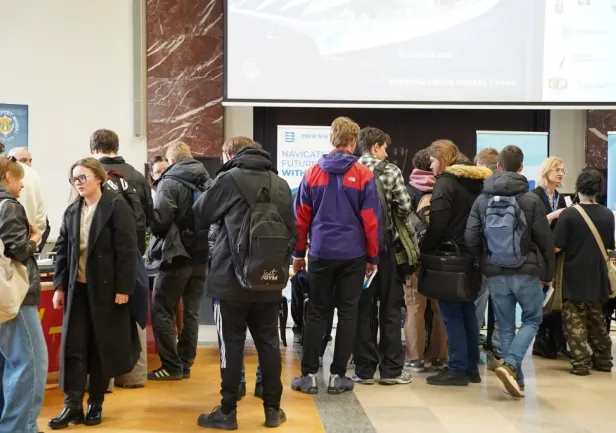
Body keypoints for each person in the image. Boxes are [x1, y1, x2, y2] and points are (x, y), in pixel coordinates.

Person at [193, 137, 296, 429]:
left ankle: (227, 411)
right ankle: (273, 410)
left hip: (230, 281)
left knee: (231, 346)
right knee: (269, 344)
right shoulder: (280, 184)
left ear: (231, 155)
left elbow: (200, 214)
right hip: (269, 280)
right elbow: (292, 232)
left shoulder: (228, 179)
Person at [291, 117, 381, 395]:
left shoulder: (311, 173)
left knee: (316, 312)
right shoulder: (364, 175)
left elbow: (300, 219)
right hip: (353, 255)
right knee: (348, 314)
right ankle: (337, 376)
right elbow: (371, 221)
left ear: (332, 139)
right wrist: (373, 258)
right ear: (353, 142)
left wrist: (298, 254)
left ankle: (308, 375)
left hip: (320, 253)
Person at [49, 158, 140, 428]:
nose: (78, 183)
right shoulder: (72, 210)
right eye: (74, 179)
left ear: (98, 177)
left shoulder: (117, 207)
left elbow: (127, 251)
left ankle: (96, 404)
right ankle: (72, 405)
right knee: (74, 347)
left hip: (107, 291)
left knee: (101, 347)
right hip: (77, 290)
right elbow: (63, 250)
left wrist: (124, 288)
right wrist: (59, 286)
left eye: (83, 177)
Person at [465, 145, 555, 398]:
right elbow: (545, 239)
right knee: (532, 319)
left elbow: (470, 237)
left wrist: (484, 259)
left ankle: (517, 380)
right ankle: (512, 364)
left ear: (499, 166)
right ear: (521, 168)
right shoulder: (531, 199)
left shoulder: (482, 199)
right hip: (526, 271)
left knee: (504, 326)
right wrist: (548, 272)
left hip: (495, 272)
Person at [420, 139, 491, 386]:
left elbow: (439, 223)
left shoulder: (446, 183)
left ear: (443, 159)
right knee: (467, 311)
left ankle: (457, 368)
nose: (431, 166)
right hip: (473, 256)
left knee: (451, 314)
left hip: (450, 258)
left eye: (432, 161)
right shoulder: (477, 183)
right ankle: (471, 368)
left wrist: (425, 247)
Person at [353, 126, 412, 385]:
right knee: (390, 308)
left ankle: (364, 370)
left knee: (362, 309)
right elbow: (405, 207)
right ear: (375, 146)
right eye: (385, 148)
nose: (387, 153)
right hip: (386, 249)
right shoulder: (391, 171)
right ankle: (391, 371)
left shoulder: (351, 170)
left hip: (357, 251)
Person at [148, 142, 210, 381]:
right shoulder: (208, 180)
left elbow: (161, 221)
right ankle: (185, 363)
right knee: (192, 311)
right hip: (201, 255)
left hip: (176, 255)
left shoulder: (169, 181)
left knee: (162, 309)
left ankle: (171, 367)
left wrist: (149, 219)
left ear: (171, 161)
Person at [0, 156, 47, 433]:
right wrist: (34, 239)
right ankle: (20, 428)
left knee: (8, 363)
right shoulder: (9, 205)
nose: (22, 186)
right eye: (19, 180)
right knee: (30, 362)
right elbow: (17, 250)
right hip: (15, 297)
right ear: (8, 177)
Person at [553, 168, 614, 376]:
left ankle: (581, 362)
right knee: (597, 320)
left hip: (573, 276)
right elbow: (608, 245)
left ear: (578, 187)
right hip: (598, 276)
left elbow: (556, 247)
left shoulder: (570, 214)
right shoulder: (607, 214)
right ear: (599, 189)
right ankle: (604, 360)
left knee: (574, 321)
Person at [404, 148, 447, 373]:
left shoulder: (406, 191)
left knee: (414, 308)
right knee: (440, 310)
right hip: (440, 258)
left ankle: (415, 358)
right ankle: (439, 356)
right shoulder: (443, 189)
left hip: (415, 259)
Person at [90, 129, 153, 254]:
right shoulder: (138, 177)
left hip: (101, 251)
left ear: (95, 150)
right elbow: (148, 216)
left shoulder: (88, 177)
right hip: (133, 249)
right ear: (116, 148)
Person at [531, 156, 568, 359]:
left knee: (553, 298)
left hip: (556, 252)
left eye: (563, 170)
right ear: (547, 171)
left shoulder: (561, 197)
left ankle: (553, 343)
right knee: (540, 298)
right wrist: (554, 215)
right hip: (538, 252)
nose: (561, 173)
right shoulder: (535, 196)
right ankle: (540, 342)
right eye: (557, 169)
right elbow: (533, 224)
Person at [472, 148, 498, 345]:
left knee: (479, 296)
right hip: (502, 253)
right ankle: (496, 343)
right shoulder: (506, 188)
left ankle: (472, 337)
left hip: (481, 251)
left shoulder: (478, 188)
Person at [7, 147, 48, 251]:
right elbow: (40, 220)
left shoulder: (33, 175)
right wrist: (33, 243)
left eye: (30, 160)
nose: (28, 164)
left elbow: (41, 217)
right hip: (26, 246)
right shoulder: (33, 175)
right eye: (23, 160)